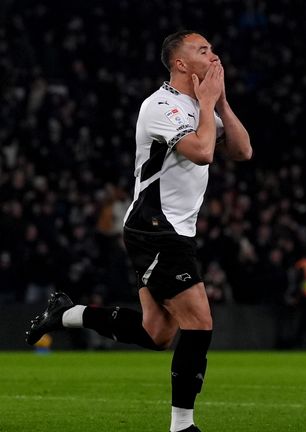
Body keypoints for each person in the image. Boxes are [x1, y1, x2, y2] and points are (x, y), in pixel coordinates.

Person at [25, 30, 252, 432]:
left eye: (213, 48)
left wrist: (222, 102)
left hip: (175, 231)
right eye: (204, 50)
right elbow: (202, 153)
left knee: (158, 333)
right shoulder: (160, 105)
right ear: (180, 64)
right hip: (155, 228)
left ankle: (68, 313)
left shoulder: (201, 107)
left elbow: (241, 151)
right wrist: (207, 103)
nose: (214, 55)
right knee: (199, 321)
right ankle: (182, 426)